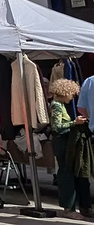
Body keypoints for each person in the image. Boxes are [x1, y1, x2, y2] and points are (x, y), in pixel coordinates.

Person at [49, 79, 92, 219]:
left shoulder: (60, 105)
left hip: (67, 143)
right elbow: (56, 127)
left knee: (74, 173)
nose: (72, 97)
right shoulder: (56, 105)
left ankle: (80, 206)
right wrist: (74, 122)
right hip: (62, 144)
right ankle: (69, 208)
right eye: (71, 94)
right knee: (67, 174)